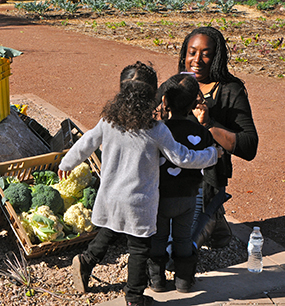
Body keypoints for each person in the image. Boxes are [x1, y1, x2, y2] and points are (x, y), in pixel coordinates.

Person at [57, 62, 222, 306]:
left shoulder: (109, 122)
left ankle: (86, 261)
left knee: (110, 230)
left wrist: (66, 163)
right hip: (138, 202)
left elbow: (87, 142)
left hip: (111, 196)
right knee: (138, 249)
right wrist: (212, 155)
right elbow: (182, 157)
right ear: (152, 96)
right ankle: (134, 297)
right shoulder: (156, 130)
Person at [178, 27, 259, 249]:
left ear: (216, 57)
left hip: (206, 179)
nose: (197, 60)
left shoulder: (230, 90)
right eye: (192, 52)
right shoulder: (178, 85)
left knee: (182, 250)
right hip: (172, 173)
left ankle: (212, 211)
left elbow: (249, 146)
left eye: (206, 53)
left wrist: (209, 124)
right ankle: (215, 218)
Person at [147, 73, 215, 293]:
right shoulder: (201, 133)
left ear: (165, 101)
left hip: (161, 196)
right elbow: (207, 165)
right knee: (183, 237)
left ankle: (157, 281)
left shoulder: (159, 131)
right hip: (187, 197)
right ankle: (184, 281)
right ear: (194, 103)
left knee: (158, 237)